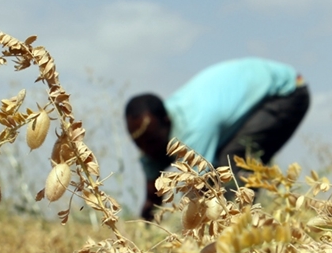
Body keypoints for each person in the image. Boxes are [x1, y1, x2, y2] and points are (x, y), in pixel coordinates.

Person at [125, 58, 310, 220]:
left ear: (166, 122)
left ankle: (235, 235)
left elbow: (199, 191)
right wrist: (145, 228)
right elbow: (153, 196)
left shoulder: (193, 128)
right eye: (138, 144)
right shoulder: (151, 135)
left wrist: (190, 240)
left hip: (287, 91)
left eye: (150, 142)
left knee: (233, 162)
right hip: (253, 93)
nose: (145, 149)